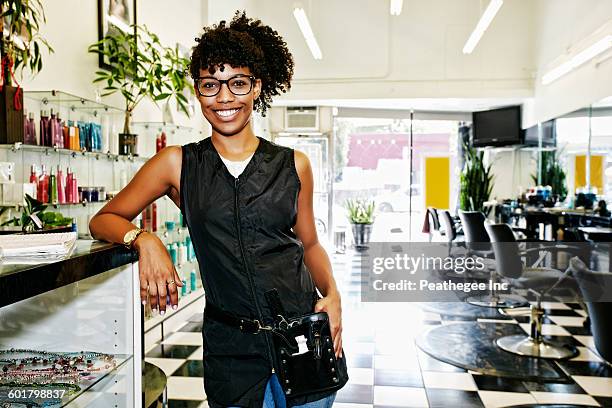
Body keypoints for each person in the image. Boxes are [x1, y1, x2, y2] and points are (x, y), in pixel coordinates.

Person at [89, 11, 344, 408]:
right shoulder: (178, 164)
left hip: (303, 335)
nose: (225, 98)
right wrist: (142, 238)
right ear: (198, 91)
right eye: (211, 85)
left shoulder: (294, 164)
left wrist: (333, 294)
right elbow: (103, 219)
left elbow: (309, 244)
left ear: (256, 86)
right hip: (232, 351)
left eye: (238, 83)